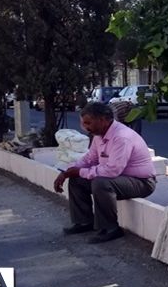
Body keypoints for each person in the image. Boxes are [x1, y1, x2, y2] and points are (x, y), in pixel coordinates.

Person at [53, 101, 157, 244]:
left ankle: (111, 229)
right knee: (77, 180)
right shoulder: (99, 135)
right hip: (120, 179)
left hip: (142, 182)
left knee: (100, 182)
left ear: (102, 120)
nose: (86, 127)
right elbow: (90, 158)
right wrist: (67, 171)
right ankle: (84, 222)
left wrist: (81, 171)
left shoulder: (121, 137)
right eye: (84, 123)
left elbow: (112, 170)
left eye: (88, 123)